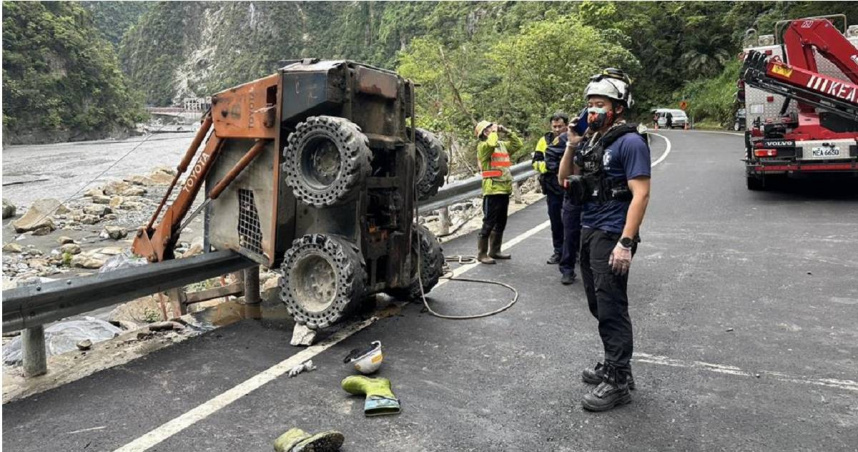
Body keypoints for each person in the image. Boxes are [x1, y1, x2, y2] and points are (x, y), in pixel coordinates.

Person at [558, 68, 651, 412]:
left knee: (611, 305)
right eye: (590, 105)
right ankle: (616, 366)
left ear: (619, 107)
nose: (592, 111)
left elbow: (640, 195)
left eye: (600, 104)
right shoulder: (592, 142)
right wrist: (571, 141)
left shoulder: (630, 142)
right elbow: (564, 178)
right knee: (598, 303)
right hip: (588, 227)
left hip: (613, 232)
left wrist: (626, 243)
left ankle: (618, 380)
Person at [474, 120, 523, 264]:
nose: (493, 128)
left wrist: (507, 131)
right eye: (490, 128)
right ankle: (482, 253)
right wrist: (494, 132)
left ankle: (495, 250)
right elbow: (491, 144)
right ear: (485, 132)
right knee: (489, 222)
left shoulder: (501, 145)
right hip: (492, 190)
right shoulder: (483, 146)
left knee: (501, 222)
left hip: (504, 188)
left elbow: (517, 144)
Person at [532, 111, 571, 266]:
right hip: (552, 187)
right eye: (554, 126)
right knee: (556, 222)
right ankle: (558, 251)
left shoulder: (573, 138)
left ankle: (574, 251)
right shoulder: (544, 140)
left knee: (573, 222)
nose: (556, 129)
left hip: (570, 187)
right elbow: (536, 162)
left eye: (560, 126)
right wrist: (548, 166)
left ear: (566, 125)